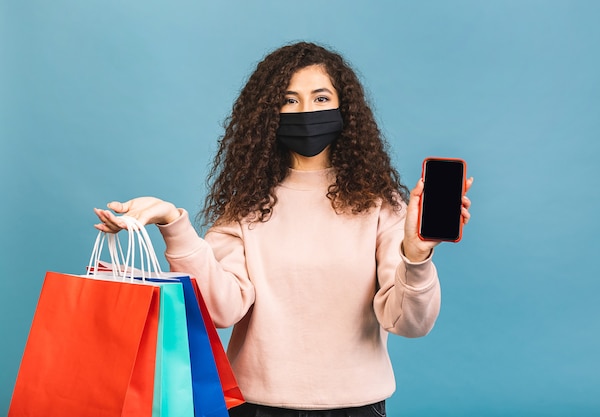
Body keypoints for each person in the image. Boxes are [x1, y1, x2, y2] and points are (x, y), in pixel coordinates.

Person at [94, 41, 472, 417]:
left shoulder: (380, 204)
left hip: (357, 407)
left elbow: (409, 322)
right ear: (268, 114)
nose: (306, 111)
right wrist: (173, 225)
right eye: (289, 100)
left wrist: (416, 253)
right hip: (256, 406)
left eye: (321, 98)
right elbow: (219, 310)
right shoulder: (245, 205)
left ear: (346, 109)